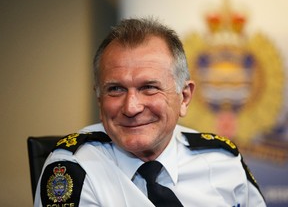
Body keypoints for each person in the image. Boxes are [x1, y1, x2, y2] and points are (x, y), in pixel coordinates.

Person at [34, 17, 266, 207]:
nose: (131, 107)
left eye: (149, 87)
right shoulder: (75, 168)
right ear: (99, 99)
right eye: (115, 89)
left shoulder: (222, 159)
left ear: (184, 97)